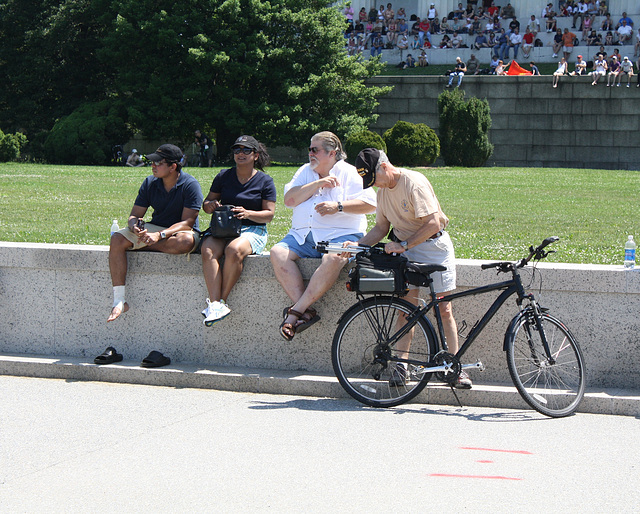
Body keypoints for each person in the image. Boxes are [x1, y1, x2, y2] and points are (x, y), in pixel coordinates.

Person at [349, 148, 470, 389]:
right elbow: (381, 228)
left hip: (433, 245)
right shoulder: (382, 192)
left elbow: (433, 222)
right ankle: (400, 367)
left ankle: (456, 368)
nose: (375, 186)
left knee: (445, 309)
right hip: (405, 249)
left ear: (384, 166)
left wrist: (404, 245)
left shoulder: (413, 182)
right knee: (405, 310)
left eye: (374, 179)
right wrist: (357, 246)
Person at [270, 132, 376, 342]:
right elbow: (289, 200)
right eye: (310, 149)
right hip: (303, 236)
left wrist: (338, 206)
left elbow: (371, 204)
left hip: (341, 236)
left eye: (315, 150)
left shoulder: (350, 173)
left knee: (334, 258)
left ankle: (295, 312)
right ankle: (305, 312)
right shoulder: (305, 172)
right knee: (277, 252)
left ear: (332, 153)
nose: (310, 153)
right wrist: (318, 184)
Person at [107, 144, 203, 322]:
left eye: (158, 163)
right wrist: (133, 226)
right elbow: (135, 215)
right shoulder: (150, 183)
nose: (153, 165)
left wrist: (159, 236)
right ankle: (119, 300)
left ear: (173, 166)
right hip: (155, 228)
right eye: (152, 162)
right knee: (117, 239)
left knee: (184, 243)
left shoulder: (190, 185)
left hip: (180, 231)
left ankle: (143, 246)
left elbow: (188, 222)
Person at [200, 136, 276, 326]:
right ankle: (215, 303)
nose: (240, 154)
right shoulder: (223, 176)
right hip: (224, 227)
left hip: (253, 228)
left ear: (256, 155)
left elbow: (269, 214)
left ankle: (221, 302)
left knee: (233, 250)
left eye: (246, 150)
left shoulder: (265, 181)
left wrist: (247, 213)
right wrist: (211, 206)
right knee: (208, 249)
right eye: (237, 150)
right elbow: (206, 203)